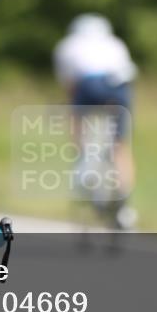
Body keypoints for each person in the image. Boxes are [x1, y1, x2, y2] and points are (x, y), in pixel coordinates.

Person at [53, 13, 138, 230]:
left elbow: (70, 86)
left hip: (89, 86)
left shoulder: (68, 45)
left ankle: (83, 159)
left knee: (76, 119)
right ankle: (124, 204)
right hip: (118, 88)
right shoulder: (115, 43)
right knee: (120, 146)